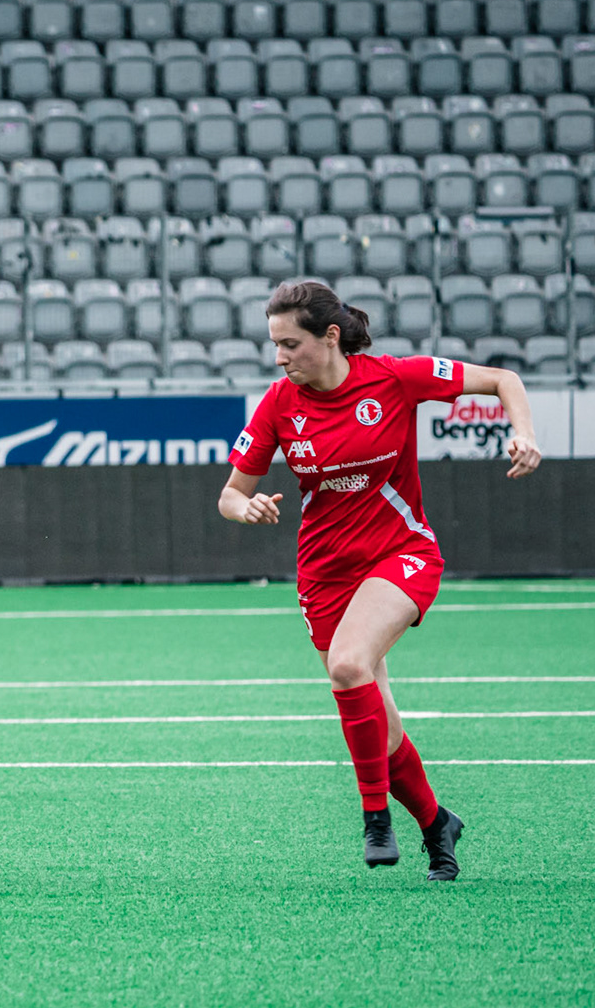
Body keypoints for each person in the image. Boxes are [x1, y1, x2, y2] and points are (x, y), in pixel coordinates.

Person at [218, 280, 543, 880]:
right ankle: (436, 824)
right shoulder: (277, 404)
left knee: (347, 666)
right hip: (324, 573)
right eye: (274, 346)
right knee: (379, 719)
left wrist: (522, 432)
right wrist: (250, 507)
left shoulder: (394, 378)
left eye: (290, 344)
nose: (280, 357)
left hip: (401, 553)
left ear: (331, 336)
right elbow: (229, 496)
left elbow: (504, 380)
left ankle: (375, 819)